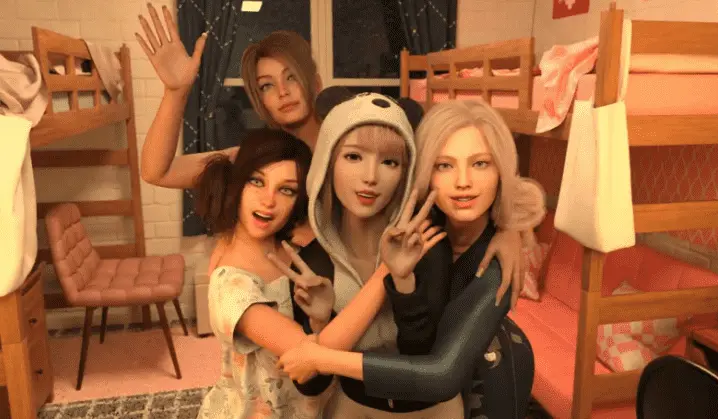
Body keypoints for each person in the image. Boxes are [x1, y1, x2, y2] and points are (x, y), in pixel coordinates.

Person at [134, 3, 529, 305]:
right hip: (313, 296)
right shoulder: (265, 159)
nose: (283, 92)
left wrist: (508, 229)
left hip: (388, 285)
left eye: (291, 77)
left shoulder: (360, 139)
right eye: (267, 85)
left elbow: (449, 179)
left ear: (315, 81)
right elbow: (156, 171)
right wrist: (176, 92)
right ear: (259, 99)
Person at [277, 99, 545, 419]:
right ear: (424, 171)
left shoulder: (492, 262)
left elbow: (441, 373)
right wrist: (321, 325)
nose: (463, 181)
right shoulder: (423, 223)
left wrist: (322, 358)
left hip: (485, 376)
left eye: (481, 164)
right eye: (444, 165)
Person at [193, 128, 324, 418]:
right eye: (257, 181)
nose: (268, 200)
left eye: (286, 190)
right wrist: (384, 276)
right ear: (237, 185)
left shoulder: (293, 251)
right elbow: (311, 354)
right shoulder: (231, 284)